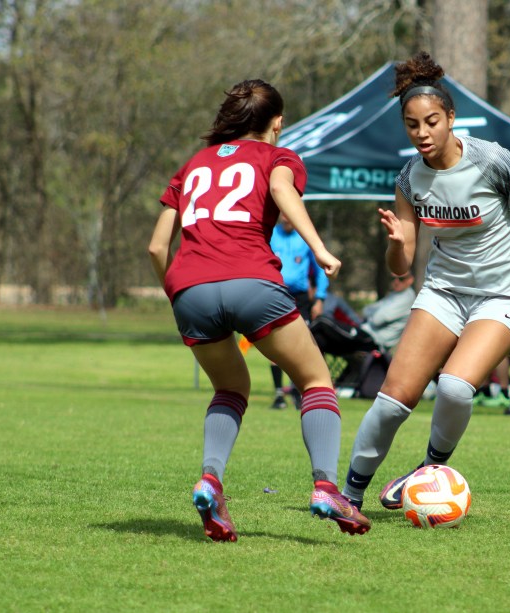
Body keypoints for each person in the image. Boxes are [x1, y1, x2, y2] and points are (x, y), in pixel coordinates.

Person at [340, 52, 510, 511]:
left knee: (456, 387)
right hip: (444, 291)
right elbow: (400, 268)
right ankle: (349, 496)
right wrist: (399, 241)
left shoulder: (491, 160)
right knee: (392, 400)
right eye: (412, 124)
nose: (422, 133)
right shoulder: (408, 179)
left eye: (432, 121)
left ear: (451, 118)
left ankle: (427, 471)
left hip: (505, 291)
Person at [147, 79, 370, 541]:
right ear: (277, 123)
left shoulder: (192, 166)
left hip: (190, 289)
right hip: (253, 281)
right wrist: (321, 249)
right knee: (315, 380)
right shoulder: (277, 157)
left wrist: (179, 289)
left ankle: (211, 479)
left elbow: (155, 247)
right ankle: (326, 487)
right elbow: (284, 191)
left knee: (231, 387)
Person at [269, 213, 329, 409]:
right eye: (284, 215)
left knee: (299, 345)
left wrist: (319, 298)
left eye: (290, 215)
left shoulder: (304, 236)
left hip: (300, 298)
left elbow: (320, 268)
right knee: (274, 344)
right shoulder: (270, 234)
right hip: (275, 294)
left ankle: (297, 391)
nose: (287, 219)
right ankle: (279, 394)